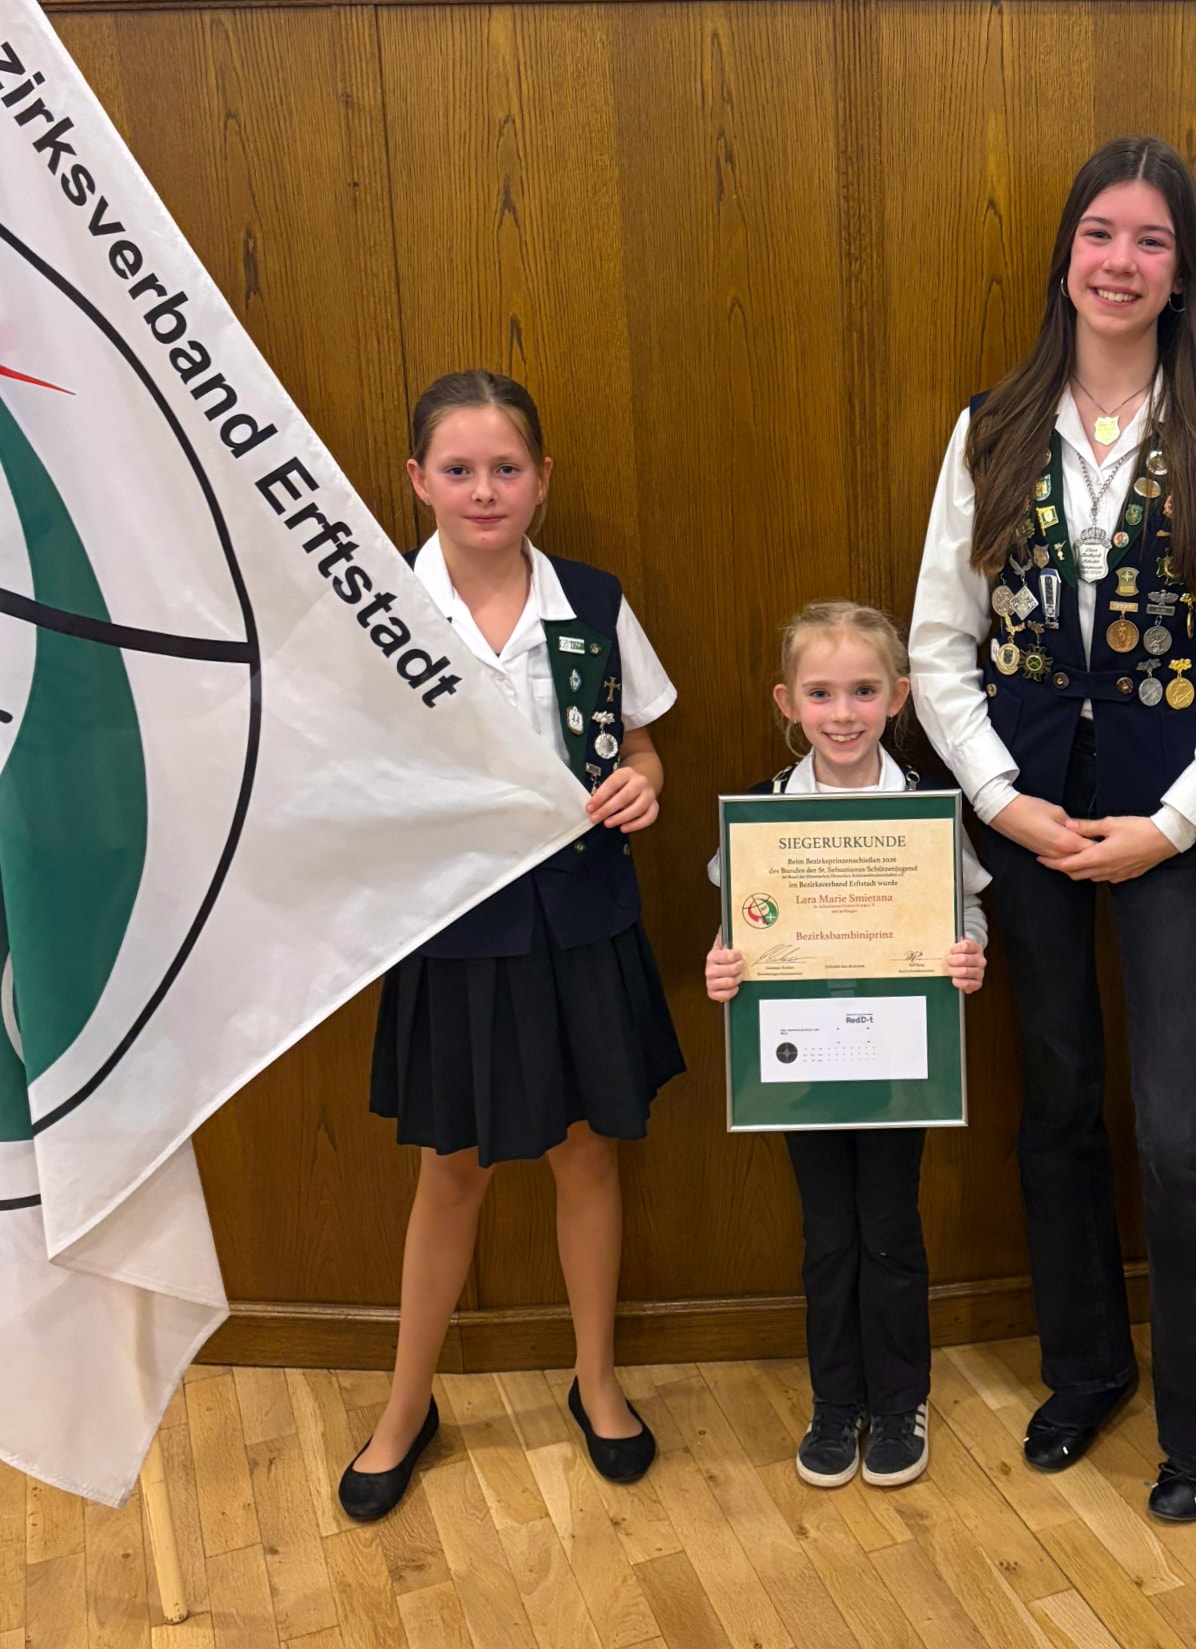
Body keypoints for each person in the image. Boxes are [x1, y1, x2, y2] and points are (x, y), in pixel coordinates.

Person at [910, 136, 1196, 1521]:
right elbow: (936, 647)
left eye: (1149, 240)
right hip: (1024, 816)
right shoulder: (992, 427)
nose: (1120, 262)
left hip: (1170, 827)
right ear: (1065, 255)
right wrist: (1003, 802)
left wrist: (1176, 822)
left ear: (1181, 268)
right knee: (1058, 1107)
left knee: (1180, 1122)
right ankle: (1086, 1370)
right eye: (1099, 234)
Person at [338, 370, 683, 1521]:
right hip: (456, 928)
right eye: (458, 468)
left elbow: (641, 746)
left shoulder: (591, 597)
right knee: (452, 1165)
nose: (484, 489)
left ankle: (595, 1380)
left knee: (589, 1151)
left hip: (582, 917)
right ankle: (405, 1403)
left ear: (542, 480)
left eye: (507, 468)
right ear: (415, 481)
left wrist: (640, 785)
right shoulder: (378, 607)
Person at [706, 602, 988, 1489]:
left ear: (898, 696)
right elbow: (735, 927)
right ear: (787, 701)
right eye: (821, 693)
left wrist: (968, 950)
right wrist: (722, 968)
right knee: (828, 1234)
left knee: (892, 1231)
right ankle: (836, 1403)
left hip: (900, 1060)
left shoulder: (928, 811)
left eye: (863, 691)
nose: (842, 713)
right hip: (800, 1065)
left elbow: (967, 905)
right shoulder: (757, 815)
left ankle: (900, 1397)